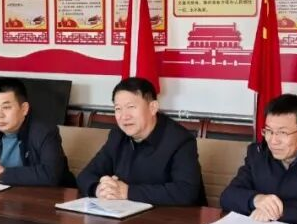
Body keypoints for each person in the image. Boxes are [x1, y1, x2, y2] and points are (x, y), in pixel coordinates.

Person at [220, 94, 297, 224]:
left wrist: (279, 210)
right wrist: (256, 200)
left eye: (282, 133)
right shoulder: (258, 154)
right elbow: (227, 197)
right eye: (269, 131)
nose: (273, 141)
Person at [77, 77, 205, 206]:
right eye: (118, 109)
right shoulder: (118, 135)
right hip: (125, 212)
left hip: (173, 216)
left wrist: (127, 192)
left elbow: (186, 192)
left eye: (131, 107)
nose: (124, 116)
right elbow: (85, 175)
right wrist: (100, 189)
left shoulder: (180, 140)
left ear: (153, 107)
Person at [0, 77, 75, 187]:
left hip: (44, 196)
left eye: (6, 107)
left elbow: (51, 174)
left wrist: (2, 174)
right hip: (1, 195)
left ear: (24, 109)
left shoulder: (44, 132)